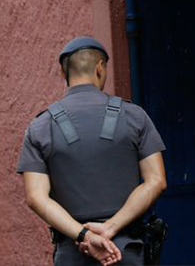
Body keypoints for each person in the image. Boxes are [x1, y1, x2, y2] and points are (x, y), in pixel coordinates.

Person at [17, 37, 167, 266]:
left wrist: (83, 235)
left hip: (72, 254)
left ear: (63, 72)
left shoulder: (40, 126)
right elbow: (156, 181)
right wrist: (110, 227)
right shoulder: (135, 116)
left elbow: (36, 197)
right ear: (100, 68)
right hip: (125, 251)